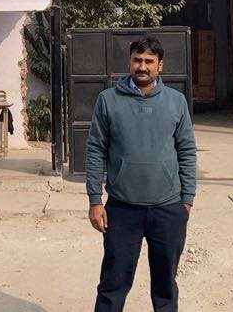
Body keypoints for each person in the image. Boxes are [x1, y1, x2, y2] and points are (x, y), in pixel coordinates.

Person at [85, 36, 197, 312]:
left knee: (165, 285)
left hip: (168, 208)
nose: (142, 66)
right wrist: (95, 200)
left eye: (149, 61)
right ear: (130, 62)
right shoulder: (108, 100)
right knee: (113, 283)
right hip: (122, 208)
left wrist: (187, 199)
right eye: (137, 60)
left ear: (160, 65)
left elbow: (186, 150)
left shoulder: (176, 101)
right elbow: (95, 149)